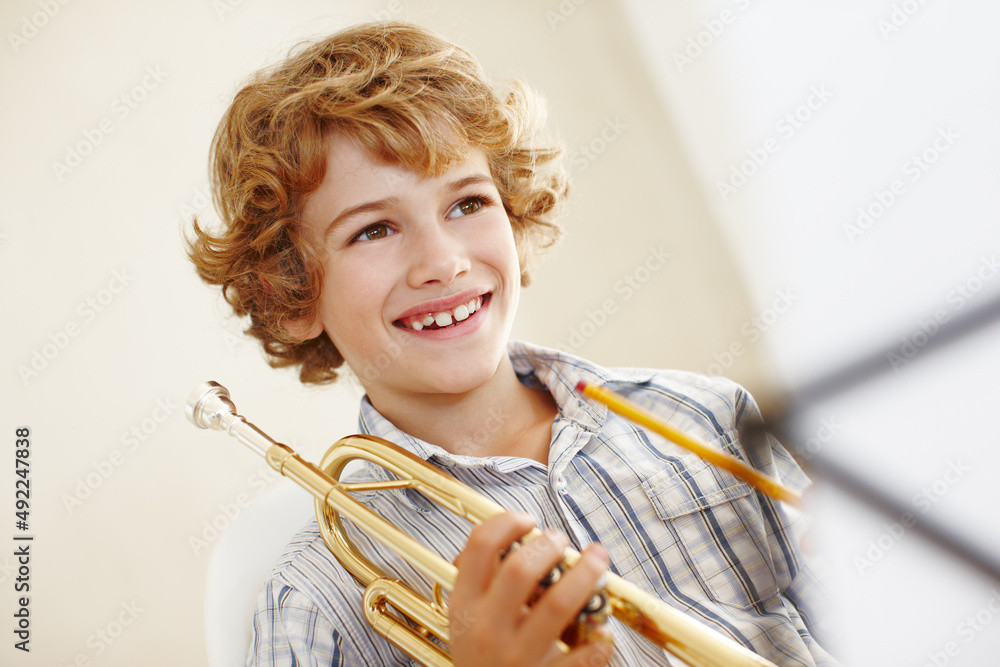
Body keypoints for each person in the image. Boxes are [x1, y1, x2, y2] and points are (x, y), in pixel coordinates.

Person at [188, 21, 837, 667]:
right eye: (375, 229)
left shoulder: (706, 416)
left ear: (514, 212)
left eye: (466, 204)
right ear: (291, 291)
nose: (441, 262)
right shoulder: (313, 602)